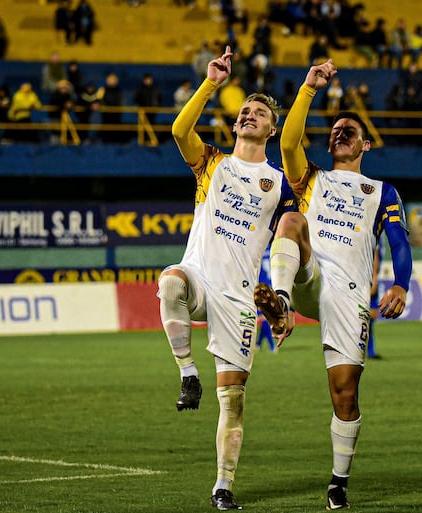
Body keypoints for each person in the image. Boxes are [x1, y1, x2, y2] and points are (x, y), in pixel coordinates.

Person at [253, 59, 413, 510]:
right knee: (290, 218)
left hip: (350, 294)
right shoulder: (311, 179)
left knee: (345, 394)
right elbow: (287, 140)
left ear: (366, 143)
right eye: (336, 129)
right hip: (310, 274)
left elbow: (400, 242)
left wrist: (401, 284)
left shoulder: (382, 192)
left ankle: (338, 483)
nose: (341, 133)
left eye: (350, 130)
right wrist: (308, 88)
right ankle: (281, 303)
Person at [158, 45, 294, 511]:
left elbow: (290, 241)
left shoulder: (280, 184)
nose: (250, 115)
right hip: (199, 278)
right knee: (170, 282)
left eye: (260, 112)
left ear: (272, 129)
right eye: (245, 112)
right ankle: (187, 374)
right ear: (236, 124)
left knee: (233, 400)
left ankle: (223, 486)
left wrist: (282, 297)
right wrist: (212, 83)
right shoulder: (212, 163)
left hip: (237, 299)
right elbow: (179, 129)